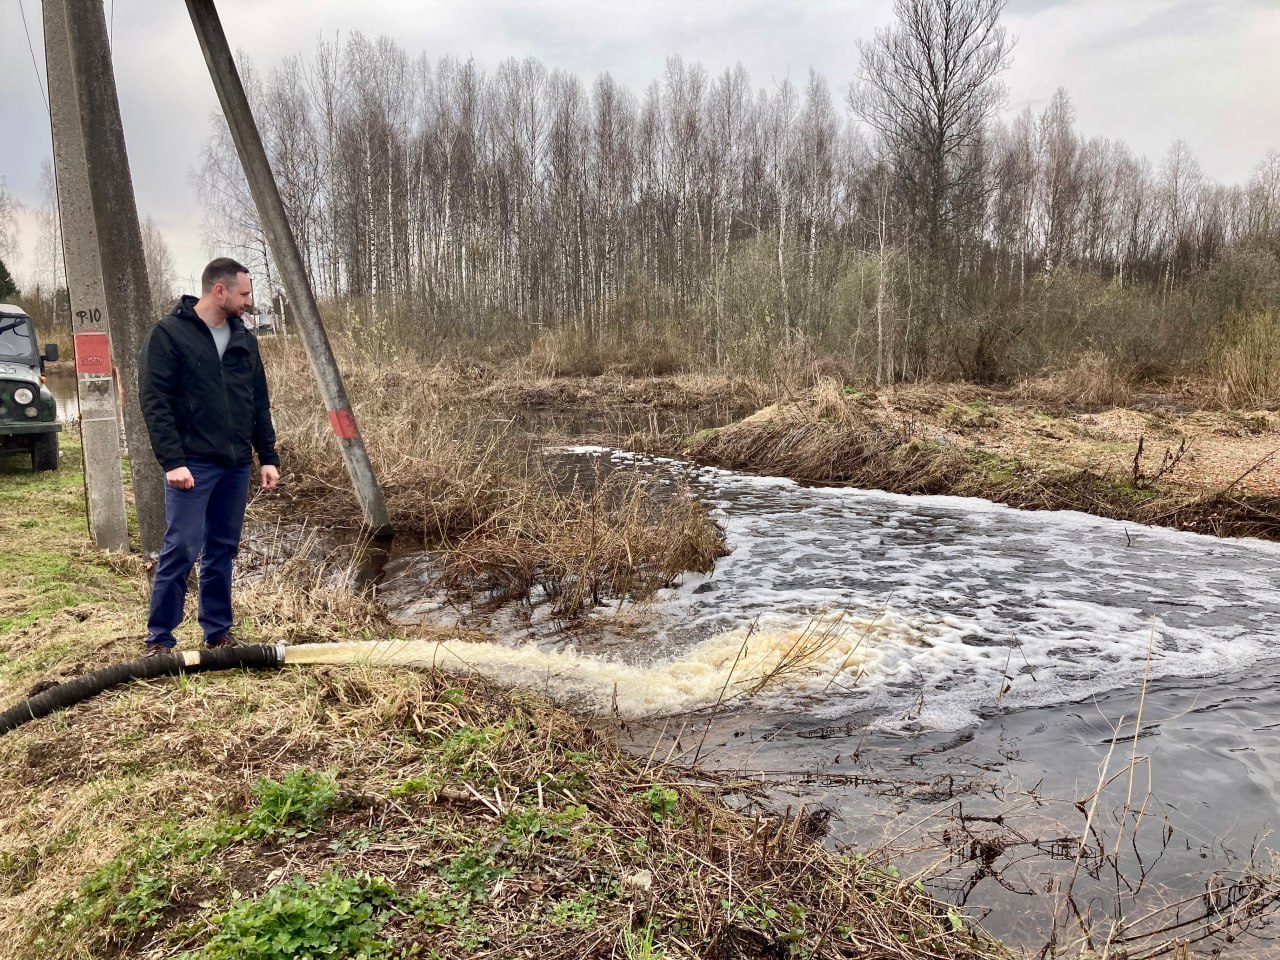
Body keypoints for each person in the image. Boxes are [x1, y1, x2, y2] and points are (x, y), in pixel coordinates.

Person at [138, 257, 280, 655]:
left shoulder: (244, 338)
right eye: (245, 293)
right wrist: (172, 461)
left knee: (223, 548)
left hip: (235, 465)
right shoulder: (169, 335)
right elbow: (155, 402)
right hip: (192, 464)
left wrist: (266, 456)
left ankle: (218, 632)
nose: (249, 301)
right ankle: (160, 639)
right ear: (220, 290)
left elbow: (258, 403)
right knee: (182, 546)